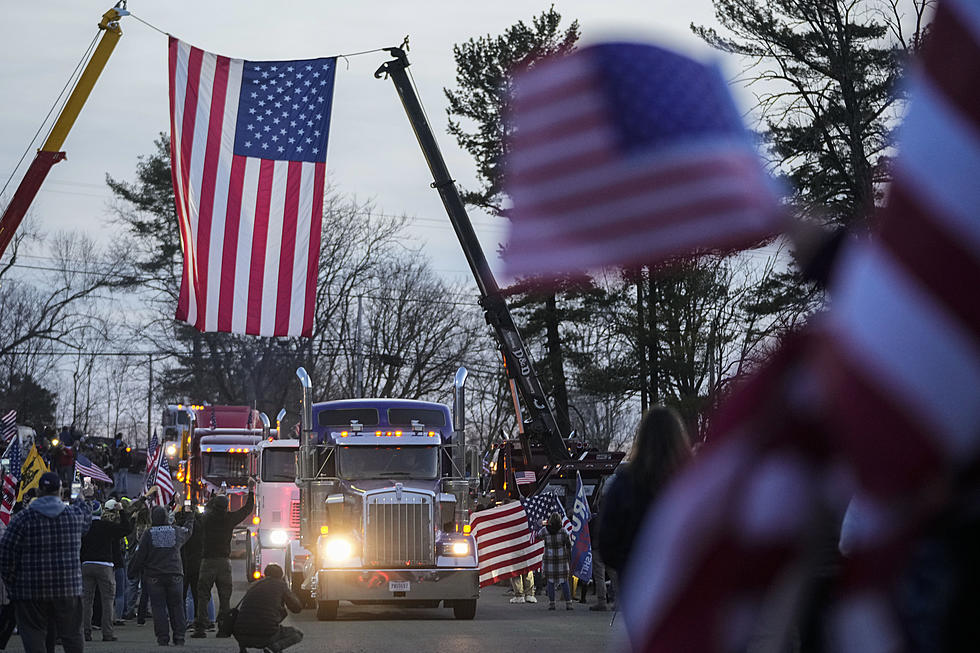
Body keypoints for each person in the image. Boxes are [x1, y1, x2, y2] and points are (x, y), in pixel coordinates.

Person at [0, 472, 92, 653]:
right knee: (72, 636)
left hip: (31, 589)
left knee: (34, 635)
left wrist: (13, 583)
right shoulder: (74, 517)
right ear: (60, 491)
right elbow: (87, 514)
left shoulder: (22, 519)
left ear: (38, 491)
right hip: (68, 588)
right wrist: (80, 495)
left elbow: (5, 556)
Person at [598, 406, 692, 579]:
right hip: (682, 582)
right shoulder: (693, 482)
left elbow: (606, 543)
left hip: (636, 581)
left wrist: (627, 565)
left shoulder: (624, 483)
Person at [191, 480, 255, 638]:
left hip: (207, 561)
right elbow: (247, 509)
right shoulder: (230, 519)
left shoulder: (206, 519)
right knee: (225, 596)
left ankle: (201, 628)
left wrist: (215, 497)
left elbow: (200, 510)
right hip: (224, 563)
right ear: (226, 507)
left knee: (203, 594)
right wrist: (251, 490)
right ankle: (223, 628)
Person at [129, 505, 194, 646]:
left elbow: (140, 556)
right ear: (166, 517)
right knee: (177, 607)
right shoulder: (176, 531)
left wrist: (132, 571)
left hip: (154, 576)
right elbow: (188, 531)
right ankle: (179, 636)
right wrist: (189, 516)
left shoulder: (148, 533)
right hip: (175, 574)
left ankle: (163, 638)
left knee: (158, 608)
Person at [80, 498, 132, 642]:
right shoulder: (107, 526)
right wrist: (121, 511)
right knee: (108, 600)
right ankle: (107, 633)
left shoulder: (84, 527)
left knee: (86, 601)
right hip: (105, 565)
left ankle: (86, 632)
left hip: (86, 564)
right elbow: (126, 529)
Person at [232, 564, 303, 653]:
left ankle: (242, 649)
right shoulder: (280, 585)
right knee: (297, 634)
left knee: (249, 617)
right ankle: (273, 648)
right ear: (281, 576)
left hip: (241, 635)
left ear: (265, 574)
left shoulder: (253, 585)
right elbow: (297, 608)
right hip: (265, 636)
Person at [538, 512, 573, 611]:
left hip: (549, 559)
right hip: (562, 559)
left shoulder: (545, 530)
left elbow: (537, 536)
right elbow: (569, 544)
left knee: (550, 581)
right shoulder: (563, 531)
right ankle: (568, 603)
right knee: (564, 581)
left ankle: (552, 603)